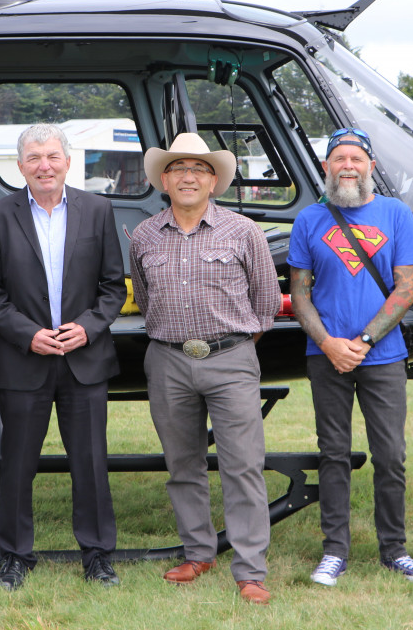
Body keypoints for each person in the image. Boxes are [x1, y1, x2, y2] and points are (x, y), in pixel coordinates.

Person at [128, 133, 281, 605]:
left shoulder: (243, 231)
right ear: (164, 180)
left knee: (243, 466)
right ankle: (198, 551)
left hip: (232, 358)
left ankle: (250, 569)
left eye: (199, 168)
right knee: (183, 464)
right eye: (178, 168)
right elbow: (145, 297)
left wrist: (232, 345)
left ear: (214, 181)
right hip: (168, 359)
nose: (188, 176)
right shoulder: (144, 235)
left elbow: (267, 303)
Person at [288, 127, 413, 587]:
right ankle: (335, 551)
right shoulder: (309, 220)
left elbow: (407, 287)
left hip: (384, 356)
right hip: (326, 356)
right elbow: (299, 295)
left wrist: (365, 341)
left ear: (371, 166)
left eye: (356, 158)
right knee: (333, 453)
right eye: (339, 159)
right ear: (326, 168)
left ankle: (394, 550)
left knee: (390, 455)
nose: (348, 166)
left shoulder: (395, 215)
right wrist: (331, 344)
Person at [0, 123, 126, 591]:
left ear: (67, 161)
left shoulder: (98, 209)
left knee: (90, 461)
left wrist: (86, 327)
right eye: (34, 157)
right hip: (25, 360)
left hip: (84, 359)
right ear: (20, 165)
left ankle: (98, 556)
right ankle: (15, 556)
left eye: (53, 156)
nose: (44, 165)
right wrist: (28, 335)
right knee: (17, 465)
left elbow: (112, 287)